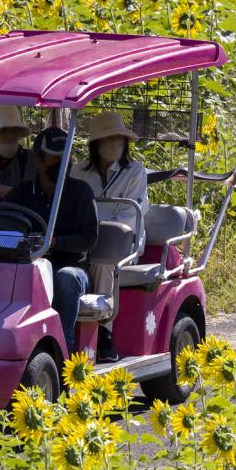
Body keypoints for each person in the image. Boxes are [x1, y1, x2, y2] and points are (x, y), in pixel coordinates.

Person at [0, 126, 97, 357]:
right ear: (38, 162)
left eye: (66, 158)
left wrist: (55, 243)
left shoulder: (81, 192)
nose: (63, 164)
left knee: (66, 278)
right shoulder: (21, 193)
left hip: (69, 267)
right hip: (27, 269)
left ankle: (63, 354)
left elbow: (89, 238)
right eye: (55, 159)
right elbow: (2, 228)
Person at [70, 111, 148, 362]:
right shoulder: (78, 171)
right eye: (108, 139)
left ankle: (103, 332)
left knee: (104, 264)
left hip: (121, 244)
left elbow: (127, 216)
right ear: (96, 144)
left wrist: (92, 229)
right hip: (82, 240)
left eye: (119, 139)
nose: (115, 144)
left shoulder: (135, 172)